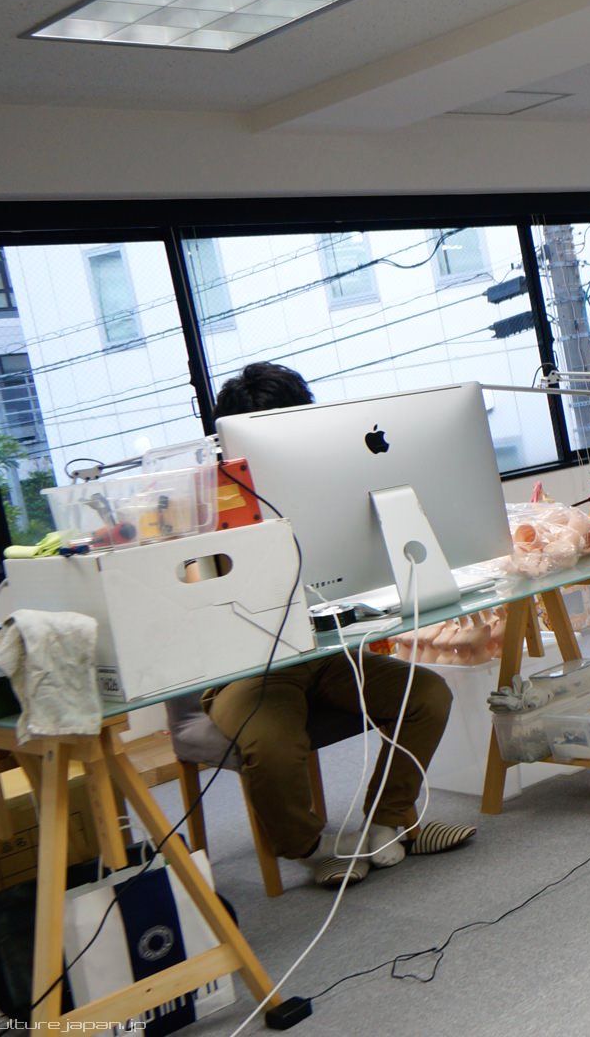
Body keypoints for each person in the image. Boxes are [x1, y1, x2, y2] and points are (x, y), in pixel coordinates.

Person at [205, 362, 476, 888]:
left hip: (326, 652)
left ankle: (388, 823)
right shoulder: (214, 501)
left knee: (426, 695)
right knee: (272, 745)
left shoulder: (328, 481)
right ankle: (314, 848)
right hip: (247, 666)